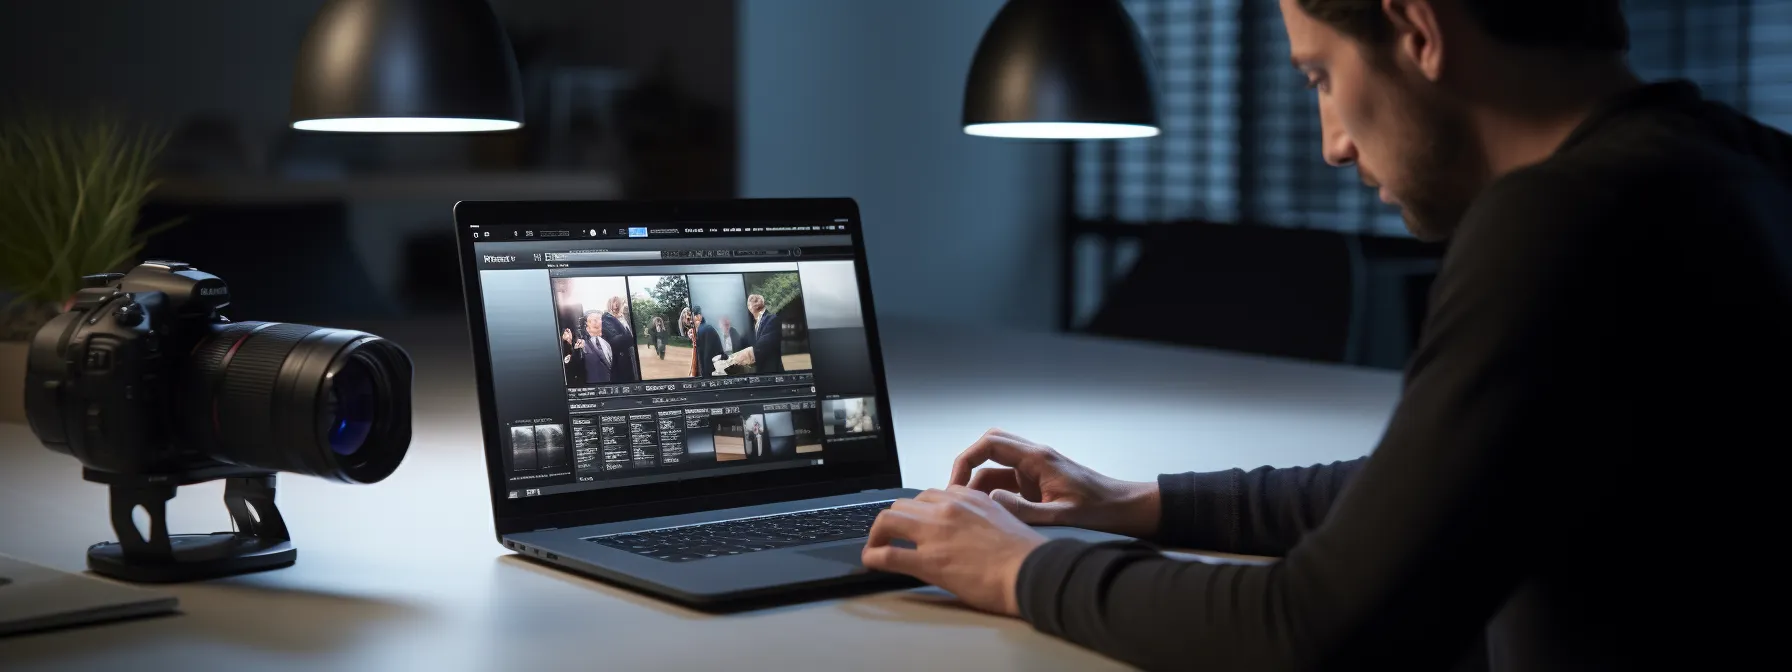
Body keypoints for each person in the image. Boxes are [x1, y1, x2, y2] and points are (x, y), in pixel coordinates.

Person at [860, 1, 1792, 670]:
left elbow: (1315, 628)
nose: (1332, 144)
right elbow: (1444, 487)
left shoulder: (1563, 220)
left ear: (1417, 29)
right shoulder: (1740, 167)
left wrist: (1021, 568)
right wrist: (1137, 501)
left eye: (1320, 76)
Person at [736, 294, 783, 373]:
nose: (749, 306)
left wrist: (746, 355)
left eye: (749, 303)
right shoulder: (757, 322)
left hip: (772, 371)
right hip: (762, 370)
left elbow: (765, 344)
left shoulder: (772, 318)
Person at [564, 311, 613, 386]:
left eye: (598, 319)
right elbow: (573, 367)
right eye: (593, 320)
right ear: (586, 324)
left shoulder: (606, 344)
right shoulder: (580, 343)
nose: (596, 322)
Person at [601, 296, 638, 382]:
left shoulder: (621, 318)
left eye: (619, 304)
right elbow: (615, 341)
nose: (617, 306)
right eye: (615, 303)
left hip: (628, 355)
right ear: (610, 305)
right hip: (619, 359)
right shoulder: (606, 319)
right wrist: (629, 336)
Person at [689, 306, 727, 377]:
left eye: (692, 317)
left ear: (699, 316)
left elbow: (707, 358)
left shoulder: (706, 329)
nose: (691, 321)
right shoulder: (703, 329)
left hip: (708, 373)